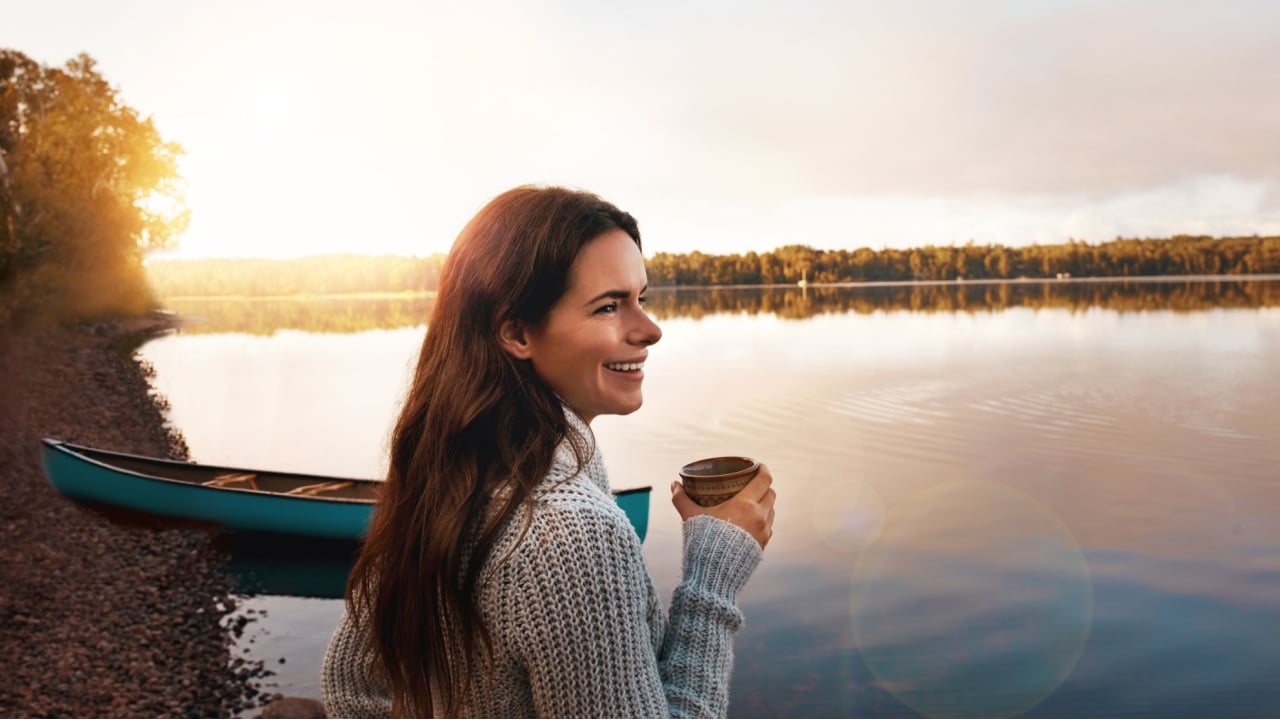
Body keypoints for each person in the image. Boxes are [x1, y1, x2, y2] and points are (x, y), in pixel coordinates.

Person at [321, 185, 777, 718]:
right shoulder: (571, 534)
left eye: (641, 299)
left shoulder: (446, 471)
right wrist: (711, 576)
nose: (650, 330)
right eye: (609, 306)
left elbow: (349, 690)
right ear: (516, 332)